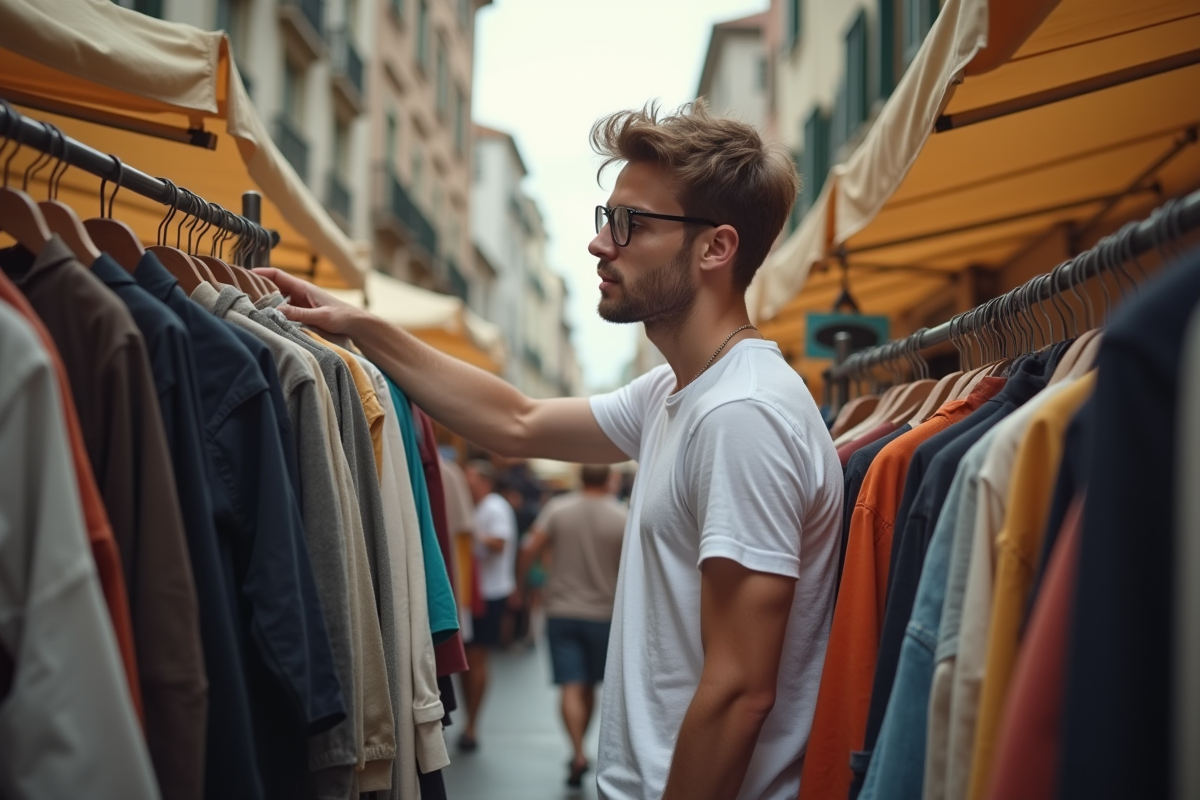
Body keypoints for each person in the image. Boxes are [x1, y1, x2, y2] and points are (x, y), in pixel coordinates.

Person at [256, 98, 843, 800]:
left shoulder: (740, 414)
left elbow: (740, 690)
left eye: (630, 224)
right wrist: (359, 326)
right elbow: (519, 419)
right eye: (607, 219)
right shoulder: (675, 394)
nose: (601, 244)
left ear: (716, 248)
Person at [518, 464, 627, 788]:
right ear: (609, 478)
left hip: (561, 610)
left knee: (570, 683)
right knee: (591, 684)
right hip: (605, 614)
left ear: (580, 478)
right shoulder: (621, 515)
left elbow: (529, 547)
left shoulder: (557, 509)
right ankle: (584, 748)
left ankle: (577, 751)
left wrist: (521, 584)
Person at [458, 459, 518, 752]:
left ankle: (472, 723)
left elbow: (499, 543)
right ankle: (468, 719)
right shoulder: (477, 507)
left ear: (484, 482)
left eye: (470, 479)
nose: (466, 484)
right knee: (468, 659)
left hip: (490, 591)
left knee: (477, 657)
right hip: (474, 591)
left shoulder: (494, 507)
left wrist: (468, 534)